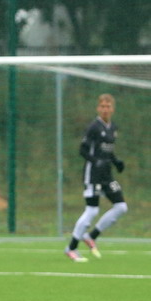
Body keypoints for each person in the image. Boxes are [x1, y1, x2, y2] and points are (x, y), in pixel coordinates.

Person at [64, 93, 127, 262]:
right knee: (92, 210)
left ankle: (91, 236)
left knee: (121, 207)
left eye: (108, 106)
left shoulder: (113, 128)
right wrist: (95, 161)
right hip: (93, 175)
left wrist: (116, 161)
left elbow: (108, 150)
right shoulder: (93, 127)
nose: (105, 109)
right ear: (98, 108)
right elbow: (82, 150)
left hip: (108, 176)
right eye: (102, 106)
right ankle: (71, 248)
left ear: (112, 109)